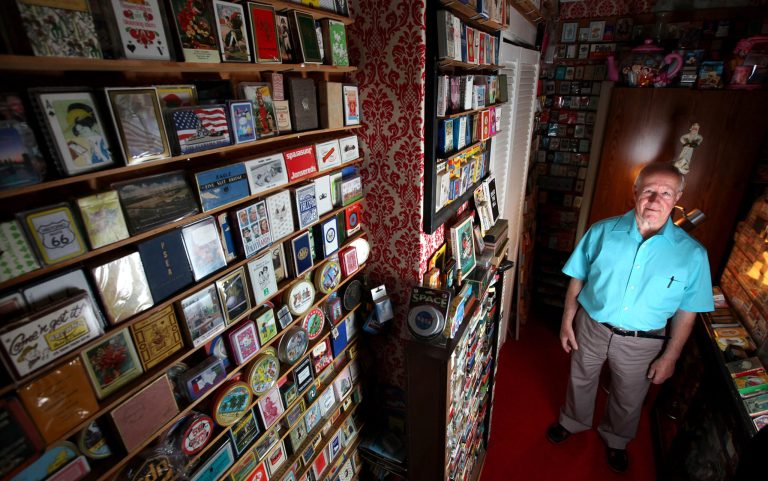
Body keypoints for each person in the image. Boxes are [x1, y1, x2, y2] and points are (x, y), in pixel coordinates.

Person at [546, 163, 714, 473]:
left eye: (665, 193)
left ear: (678, 196)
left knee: (629, 395)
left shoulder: (693, 255)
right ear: (635, 191)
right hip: (592, 327)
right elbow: (577, 278)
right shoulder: (602, 231)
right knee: (580, 378)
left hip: (643, 341)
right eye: (648, 190)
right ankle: (572, 421)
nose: (655, 199)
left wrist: (671, 357)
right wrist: (567, 321)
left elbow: (687, 311)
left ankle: (617, 439)